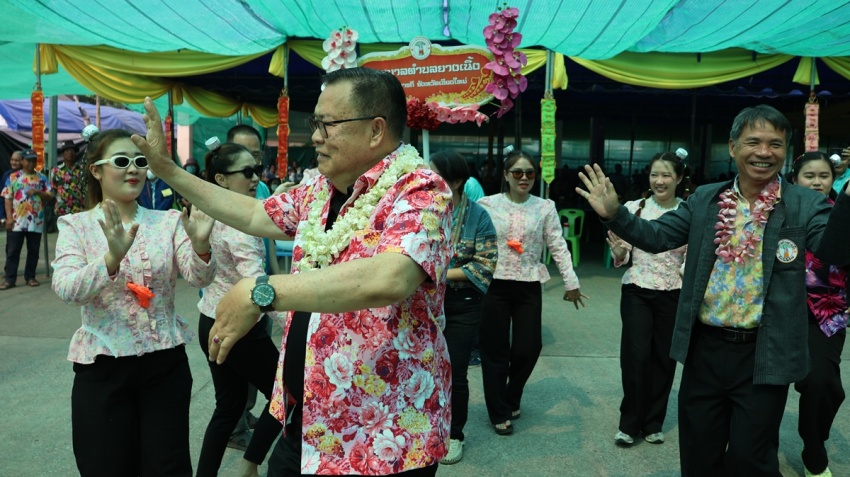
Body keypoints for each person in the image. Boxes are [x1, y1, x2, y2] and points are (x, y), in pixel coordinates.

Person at [133, 67, 453, 476]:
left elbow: (390, 277)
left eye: (327, 124)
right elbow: (254, 213)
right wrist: (168, 171)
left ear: (375, 130)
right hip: (305, 420)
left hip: (382, 436)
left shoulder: (421, 190)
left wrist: (261, 291)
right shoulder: (320, 188)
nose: (315, 136)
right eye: (315, 123)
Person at [576, 104, 850, 476]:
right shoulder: (705, 199)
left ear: (786, 150)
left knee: (750, 460)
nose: (764, 152)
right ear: (733, 146)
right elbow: (657, 237)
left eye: (775, 144)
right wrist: (614, 214)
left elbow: (835, 249)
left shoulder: (805, 203)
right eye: (753, 141)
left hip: (763, 352)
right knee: (699, 455)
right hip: (704, 349)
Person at [51, 129, 216, 476]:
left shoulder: (167, 222)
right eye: (122, 161)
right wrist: (110, 259)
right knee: (105, 466)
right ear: (96, 170)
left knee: (167, 467)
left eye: (140, 162)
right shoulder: (76, 226)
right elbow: (66, 289)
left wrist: (201, 247)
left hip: (165, 365)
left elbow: (198, 277)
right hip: (103, 367)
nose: (133, 169)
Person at [477, 149, 588, 436]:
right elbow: (474, 241)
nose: (524, 178)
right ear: (506, 175)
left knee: (529, 347)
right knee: (495, 350)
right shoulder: (486, 205)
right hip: (494, 285)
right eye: (517, 172)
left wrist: (571, 282)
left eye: (529, 173)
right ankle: (498, 411)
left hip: (528, 284)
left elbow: (558, 245)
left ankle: (511, 395)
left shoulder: (545, 207)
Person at [195, 141, 282, 477]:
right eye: (247, 172)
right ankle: (251, 463)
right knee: (287, 395)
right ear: (221, 179)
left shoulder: (216, 210)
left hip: (210, 322)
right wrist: (289, 320)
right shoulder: (237, 225)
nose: (255, 177)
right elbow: (257, 286)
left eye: (257, 169)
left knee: (228, 408)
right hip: (240, 329)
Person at [605, 151, 687, 447]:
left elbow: (693, 255)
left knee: (664, 359)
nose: (659, 181)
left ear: (679, 178)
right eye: (654, 175)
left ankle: (653, 422)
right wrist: (618, 253)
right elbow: (623, 250)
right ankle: (629, 423)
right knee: (636, 356)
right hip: (637, 289)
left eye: (666, 175)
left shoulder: (688, 213)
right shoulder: (633, 208)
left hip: (672, 291)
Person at [428, 151, 497, 464]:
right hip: (424, 301)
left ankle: (454, 434)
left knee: (454, 371)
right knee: (420, 367)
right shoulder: (421, 209)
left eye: (435, 175)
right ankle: (426, 427)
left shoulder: (478, 216)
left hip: (462, 303)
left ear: (456, 182)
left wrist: (437, 273)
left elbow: (484, 265)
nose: (428, 180)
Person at [788, 151, 847, 477]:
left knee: (823, 383)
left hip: (826, 315)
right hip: (779, 312)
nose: (816, 182)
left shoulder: (844, 212)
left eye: (823, 176)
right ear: (794, 179)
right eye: (809, 176)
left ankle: (814, 446)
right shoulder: (778, 213)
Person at [226, 124, 277, 434]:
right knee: (239, 379)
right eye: (244, 159)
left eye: (256, 157)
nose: (253, 170)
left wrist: (276, 277)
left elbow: (266, 239)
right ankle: (239, 428)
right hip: (239, 300)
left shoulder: (261, 189)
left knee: (256, 378)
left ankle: (245, 418)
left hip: (262, 291)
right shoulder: (218, 200)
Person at [2, 149, 52, 290]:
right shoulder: (13, 177)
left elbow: (50, 196)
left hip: (35, 221)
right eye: (28, 160)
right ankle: (9, 279)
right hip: (17, 221)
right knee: (13, 251)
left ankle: (30, 277)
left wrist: (38, 192)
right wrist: (8, 218)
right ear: (22, 161)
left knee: (33, 251)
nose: (31, 163)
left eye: (34, 160)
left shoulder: (42, 178)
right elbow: (7, 198)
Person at [51, 140, 87, 217]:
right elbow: (54, 188)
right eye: (67, 150)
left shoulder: (82, 169)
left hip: (79, 210)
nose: (70, 153)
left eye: (72, 150)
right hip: (62, 210)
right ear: (62, 154)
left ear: (75, 153)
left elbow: (85, 188)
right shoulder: (56, 170)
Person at [0, 150, 22, 228]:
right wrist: (2, 216)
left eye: (16, 160)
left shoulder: (29, 176)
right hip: (11, 217)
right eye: (12, 160)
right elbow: (2, 197)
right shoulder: (7, 175)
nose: (13, 162)